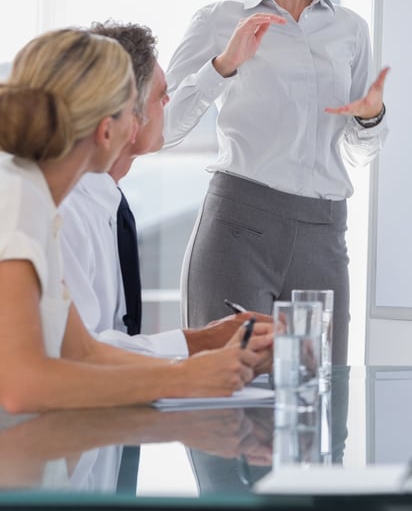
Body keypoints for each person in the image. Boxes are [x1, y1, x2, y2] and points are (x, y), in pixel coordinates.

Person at [163, 0, 389, 364]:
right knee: (225, 399)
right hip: (239, 227)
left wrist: (370, 118)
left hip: (323, 232)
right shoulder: (217, 19)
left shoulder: (350, 30)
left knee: (322, 400)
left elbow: (358, 151)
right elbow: (160, 128)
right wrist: (223, 66)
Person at [0, 28, 270, 413]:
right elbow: (20, 387)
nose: (141, 120)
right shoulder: (16, 196)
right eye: (133, 109)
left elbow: (82, 351)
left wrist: (206, 366)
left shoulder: (36, 197)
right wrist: (184, 378)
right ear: (107, 130)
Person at [60, 21, 268, 360]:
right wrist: (202, 342)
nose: (168, 102)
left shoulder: (106, 203)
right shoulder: (66, 213)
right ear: (129, 114)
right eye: (161, 96)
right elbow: (79, 353)